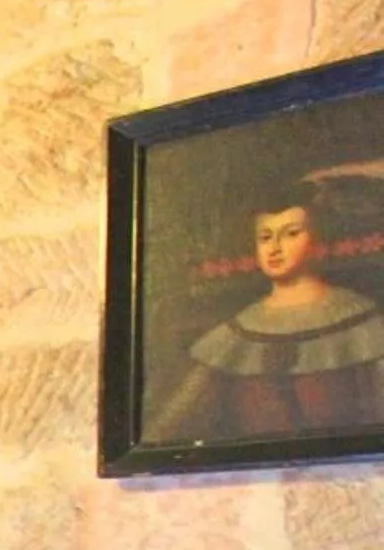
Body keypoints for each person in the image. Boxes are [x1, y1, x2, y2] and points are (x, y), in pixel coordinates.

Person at [152, 188, 384, 441]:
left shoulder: (362, 321)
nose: (274, 248)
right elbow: (173, 426)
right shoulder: (236, 332)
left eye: (291, 234)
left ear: (317, 241)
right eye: (265, 237)